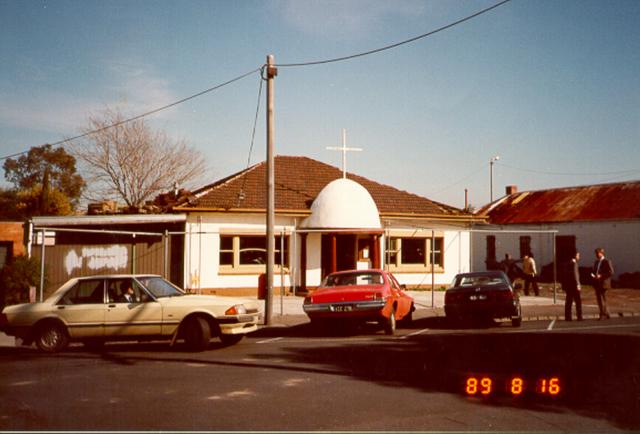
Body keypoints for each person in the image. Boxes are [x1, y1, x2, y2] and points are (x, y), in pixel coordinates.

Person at [592, 247, 613, 320]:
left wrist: (601, 275)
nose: (596, 255)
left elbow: (611, 272)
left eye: (597, 253)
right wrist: (593, 275)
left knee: (602, 299)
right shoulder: (596, 262)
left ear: (601, 253)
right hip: (597, 283)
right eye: (596, 253)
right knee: (600, 299)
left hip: (603, 283)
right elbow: (594, 271)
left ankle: (603, 314)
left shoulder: (606, 261)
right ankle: (607, 313)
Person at [562, 251, 582, 321]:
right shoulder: (574, 264)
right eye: (578, 255)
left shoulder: (566, 264)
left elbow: (564, 275)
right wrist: (578, 284)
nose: (579, 257)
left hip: (568, 285)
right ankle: (579, 316)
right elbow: (575, 275)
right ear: (575, 256)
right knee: (578, 301)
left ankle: (568, 317)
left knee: (568, 301)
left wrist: (564, 285)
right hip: (574, 285)